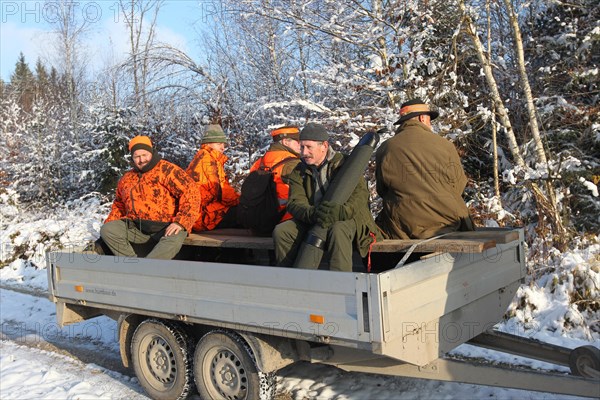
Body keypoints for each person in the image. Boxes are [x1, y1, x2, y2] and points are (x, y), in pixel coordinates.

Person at [273, 123, 382, 272]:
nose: (304, 152)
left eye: (309, 147)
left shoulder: (345, 165)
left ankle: (341, 285)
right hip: (314, 219)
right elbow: (295, 203)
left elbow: (360, 197)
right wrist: (314, 213)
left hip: (348, 219)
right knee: (282, 231)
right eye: (302, 147)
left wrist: (340, 212)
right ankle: (290, 279)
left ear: (324, 146)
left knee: (337, 230)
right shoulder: (299, 171)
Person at [375, 98, 474, 240]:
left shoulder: (385, 148)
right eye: (429, 120)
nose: (431, 125)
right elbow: (459, 185)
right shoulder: (445, 145)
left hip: (402, 227)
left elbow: (382, 190)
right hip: (447, 222)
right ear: (422, 118)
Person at [100, 135, 201, 259]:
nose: (141, 160)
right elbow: (119, 205)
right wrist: (104, 237)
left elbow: (191, 193)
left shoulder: (167, 170)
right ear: (132, 158)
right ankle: (133, 264)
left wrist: (181, 223)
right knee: (108, 229)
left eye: (144, 155)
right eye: (137, 156)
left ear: (151, 152)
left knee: (174, 237)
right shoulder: (127, 179)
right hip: (137, 228)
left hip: (167, 226)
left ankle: (148, 269)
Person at [186, 124, 240, 231]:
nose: (223, 148)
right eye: (219, 144)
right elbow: (222, 194)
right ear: (208, 144)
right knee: (247, 214)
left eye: (223, 144)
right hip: (204, 216)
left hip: (200, 213)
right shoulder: (208, 161)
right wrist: (242, 200)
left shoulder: (203, 157)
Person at [249, 125, 301, 222]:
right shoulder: (293, 164)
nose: (301, 145)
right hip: (285, 219)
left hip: (259, 219)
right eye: (297, 141)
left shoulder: (258, 162)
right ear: (285, 142)